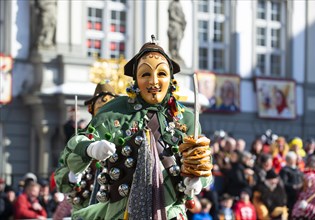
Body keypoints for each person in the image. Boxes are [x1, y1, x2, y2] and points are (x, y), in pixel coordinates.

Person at [55, 39, 213, 219]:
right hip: (122, 212)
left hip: (171, 212)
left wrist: (197, 179)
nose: (154, 81)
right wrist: (90, 148)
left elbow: (203, 162)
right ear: (136, 79)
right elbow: (75, 146)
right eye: (145, 74)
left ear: (171, 78)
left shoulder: (186, 117)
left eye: (161, 73)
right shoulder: (115, 112)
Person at [55, 81, 118, 213]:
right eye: (102, 109)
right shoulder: (80, 138)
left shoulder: (124, 137)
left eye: (111, 109)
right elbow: (61, 178)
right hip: (85, 209)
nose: (107, 115)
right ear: (91, 109)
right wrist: (71, 175)